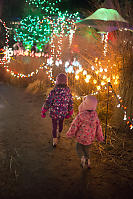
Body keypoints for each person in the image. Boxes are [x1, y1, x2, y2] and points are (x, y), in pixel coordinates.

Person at [66, 94, 104, 169]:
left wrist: (70, 134)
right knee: (87, 150)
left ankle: (82, 158)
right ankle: (88, 161)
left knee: (78, 148)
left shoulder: (80, 116)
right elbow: (98, 127)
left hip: (81, 137)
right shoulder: (95, 116)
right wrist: (100, 137)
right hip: (90, 138)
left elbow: (74, 125)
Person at [41, 73, 73, 147]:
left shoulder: (53, 91)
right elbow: (70, 102)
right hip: (63, 112)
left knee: (54, 126)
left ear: (57, 81)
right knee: (61, 123)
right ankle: (59, 133)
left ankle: (54, 140)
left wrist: (43, 111)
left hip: (54, 113)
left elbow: (48, 102)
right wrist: (70, 112)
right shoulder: (68, 91)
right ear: (66, 82)